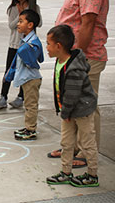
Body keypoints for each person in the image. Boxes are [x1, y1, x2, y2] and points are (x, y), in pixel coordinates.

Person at [48, 0, 109, 168]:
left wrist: (78, 58)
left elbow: (88, 22)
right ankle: (72, 148)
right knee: (72, 103)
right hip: (72, 57)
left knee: (86, 106)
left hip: (85, 57)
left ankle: (85, 153)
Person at [45, 25, 99, 187]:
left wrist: (65, 112)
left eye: (48, 44)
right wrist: (64, 110)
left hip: (81, 111)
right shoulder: (60, 61)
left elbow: (72, 95)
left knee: (87, 143)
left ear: (58, 46)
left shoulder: (74, 68)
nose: (46, 47)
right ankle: (65, 172)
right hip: (68, 111)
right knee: (66, 143)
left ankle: (92, 175)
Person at [0, 0, 42, 109]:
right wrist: (21, 15)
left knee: (25, 70)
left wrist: (28, 12)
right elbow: (11, 26)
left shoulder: (33, 6)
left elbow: (40, 22)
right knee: (9, 70)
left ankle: (21, 97)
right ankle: (3, 96)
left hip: (28, 45)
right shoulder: (12, 8)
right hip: (14, 44)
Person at [4, 9, 43, 140]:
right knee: (28, 104)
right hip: (26, 78)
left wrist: (26, 51)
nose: (18, 24)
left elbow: (35, 61)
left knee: (31, 105)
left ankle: (31, 130)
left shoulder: (32, 43)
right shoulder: (25, 40)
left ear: (30, 25)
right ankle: (28, 127)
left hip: (31, 78)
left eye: (21, 21)